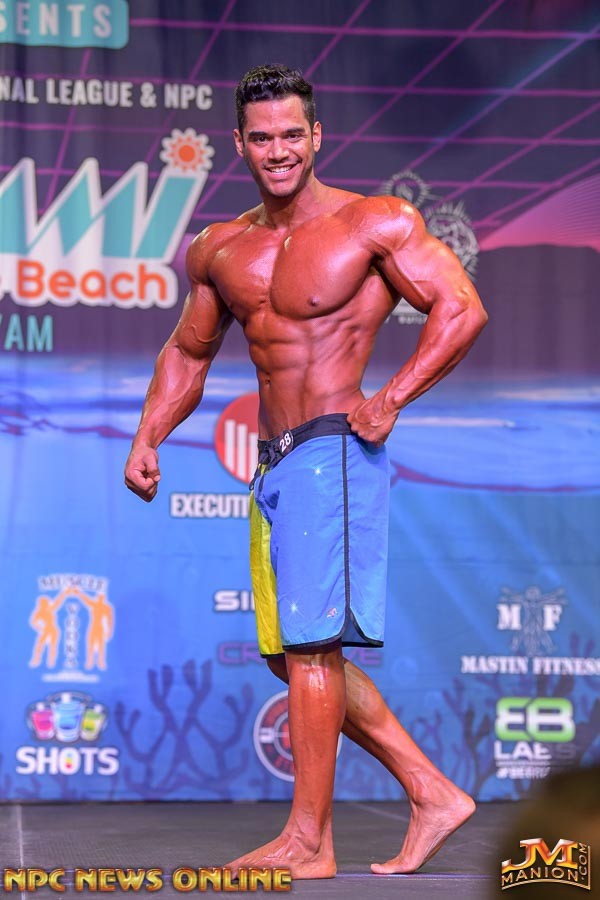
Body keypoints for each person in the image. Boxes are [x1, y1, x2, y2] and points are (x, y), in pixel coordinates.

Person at [125, 64, 488, 880]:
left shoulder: (373, 223)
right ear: (239, 144)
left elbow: (460, 308)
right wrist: (149, 435)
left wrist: (392, 397)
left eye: (293, 133)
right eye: (263, 137)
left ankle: (309, 841)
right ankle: (432, 792)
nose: (279, 150)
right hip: (274, 463)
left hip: (335, 449)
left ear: (317, 135)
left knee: (312, 648)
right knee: (286, 655)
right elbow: (189, 351)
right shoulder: (220, 247)